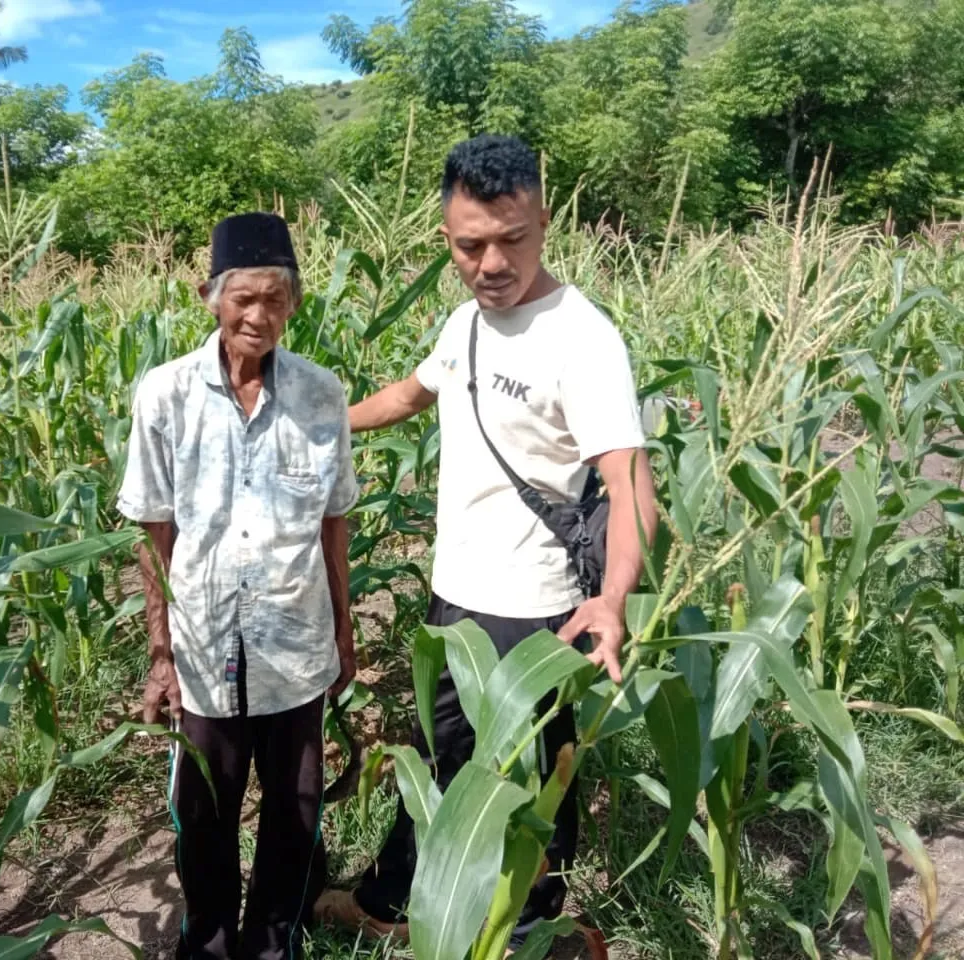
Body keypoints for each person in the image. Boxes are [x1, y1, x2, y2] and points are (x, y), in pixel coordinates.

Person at [315, 134, 658, 944]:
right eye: (472, 245)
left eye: (514, 239)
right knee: (440, 761)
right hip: (457, 593)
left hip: (536, 608)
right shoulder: (465, 320)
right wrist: (316, 419)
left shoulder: (582, 338)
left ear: (544, 220)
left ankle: (513, 923)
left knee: (533, 774)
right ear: (448, 237)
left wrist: (611, 602)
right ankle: (416, 905)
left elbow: (630, 482)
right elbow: (408, 394)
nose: (493, 262)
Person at [117, 211, 359, 960]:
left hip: (296, 641)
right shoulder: (165, 396)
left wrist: (345, 635)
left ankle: (273, 939)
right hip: (203, 644)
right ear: (209, 297)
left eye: (277, 299)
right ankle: (210, 940)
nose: (260, 315)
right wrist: (160, 654)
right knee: (205, 809)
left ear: (294, 303)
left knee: (295, 807)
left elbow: (334, 525)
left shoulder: (322, 395)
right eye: (244, 298)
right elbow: (154, 530)